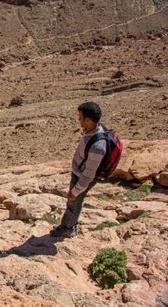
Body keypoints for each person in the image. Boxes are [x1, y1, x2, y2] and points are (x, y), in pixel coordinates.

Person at [50, 102, 106, 238]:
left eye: (81, 117)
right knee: (74, 202)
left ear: (88, 120)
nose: (78, 120)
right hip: (80, 172)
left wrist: (76, 190)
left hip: (81, 176)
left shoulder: (98, 146)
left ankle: (67, 228)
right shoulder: (95, 130)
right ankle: (71, 224)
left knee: (74, 202)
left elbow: (88, 174)